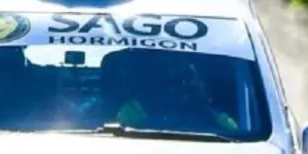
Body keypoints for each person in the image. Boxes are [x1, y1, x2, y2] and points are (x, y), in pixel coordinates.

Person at [99, 48, 239, 133]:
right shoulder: (127, 112)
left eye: (186, 77)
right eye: (174, 80)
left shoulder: (219, 119)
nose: (179, 86)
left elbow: (237, 135)